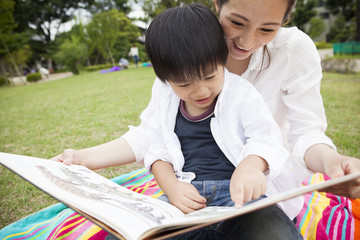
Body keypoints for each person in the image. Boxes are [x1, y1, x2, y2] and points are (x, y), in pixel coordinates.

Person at [54, 0, 360, 216]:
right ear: (218, 5)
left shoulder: (293, 52)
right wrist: (82, 158)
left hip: (259, 191)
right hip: (191, 194)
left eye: (268, 29)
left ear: (285, 20)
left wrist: (332, 161)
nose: (247, 41)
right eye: (237, 22)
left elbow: (304, 134)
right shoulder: (183, 52)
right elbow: (152, 136)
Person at [140, 4, 302, 239]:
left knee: (275, 233)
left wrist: (250, 167)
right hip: (186, 198)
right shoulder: (164, 97)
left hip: (240, 198)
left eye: (210, 76)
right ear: (166, 79)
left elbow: (266, 139)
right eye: (184, 84)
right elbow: (156, 151)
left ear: (221, 60)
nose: (200, 91)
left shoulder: (242, 94)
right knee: (137, 233)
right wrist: (172, 189)